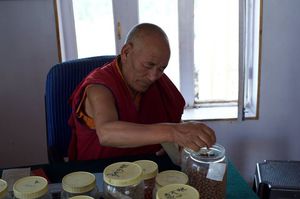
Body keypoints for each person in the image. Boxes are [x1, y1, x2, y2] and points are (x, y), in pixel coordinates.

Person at [68, 23, 216, 161]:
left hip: (146, 169)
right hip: (99, 172)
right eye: (148, 65)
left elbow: (173, 121)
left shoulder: (157, 82)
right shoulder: (99, 86)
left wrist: (175, 143)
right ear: (126, 52)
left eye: (161, 69)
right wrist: (172, 133)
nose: (153, 77)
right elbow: (106, 133)